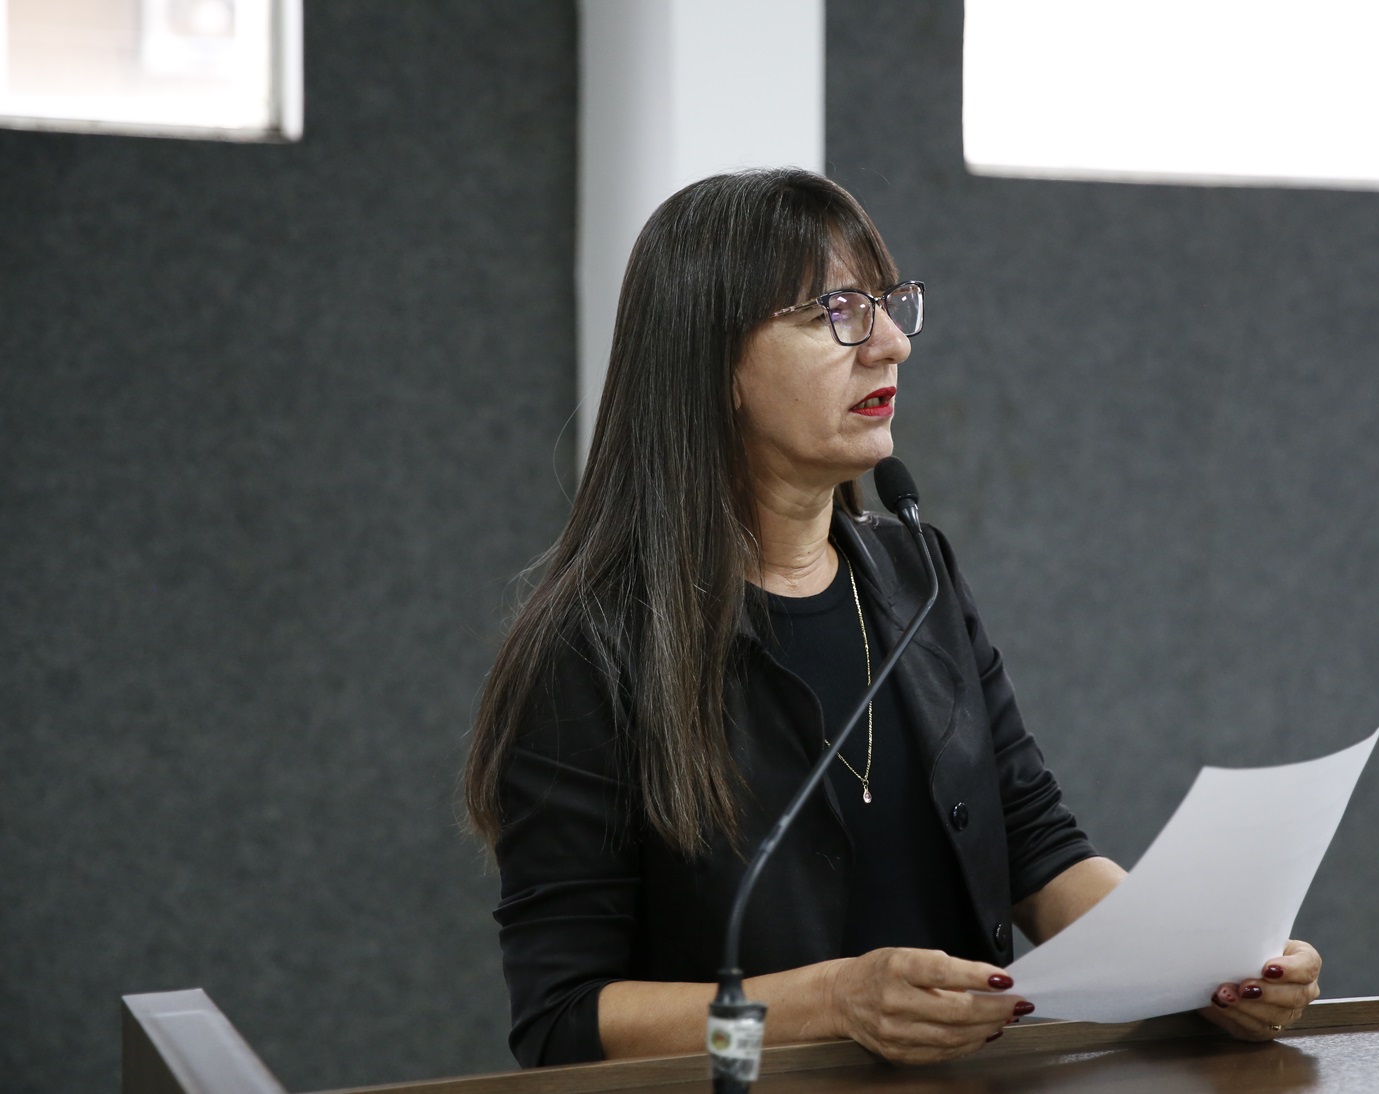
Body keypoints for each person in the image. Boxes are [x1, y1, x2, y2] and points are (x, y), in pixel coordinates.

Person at [461, 168, 1320, 1068]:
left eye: (885, 303)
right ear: (713, 367)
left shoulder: (918, 574)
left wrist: (1207, 965)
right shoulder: (589, 648)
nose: (888, 345)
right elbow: (562, 1024)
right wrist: (832, 1002)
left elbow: (1036, 845)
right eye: (832, 311)